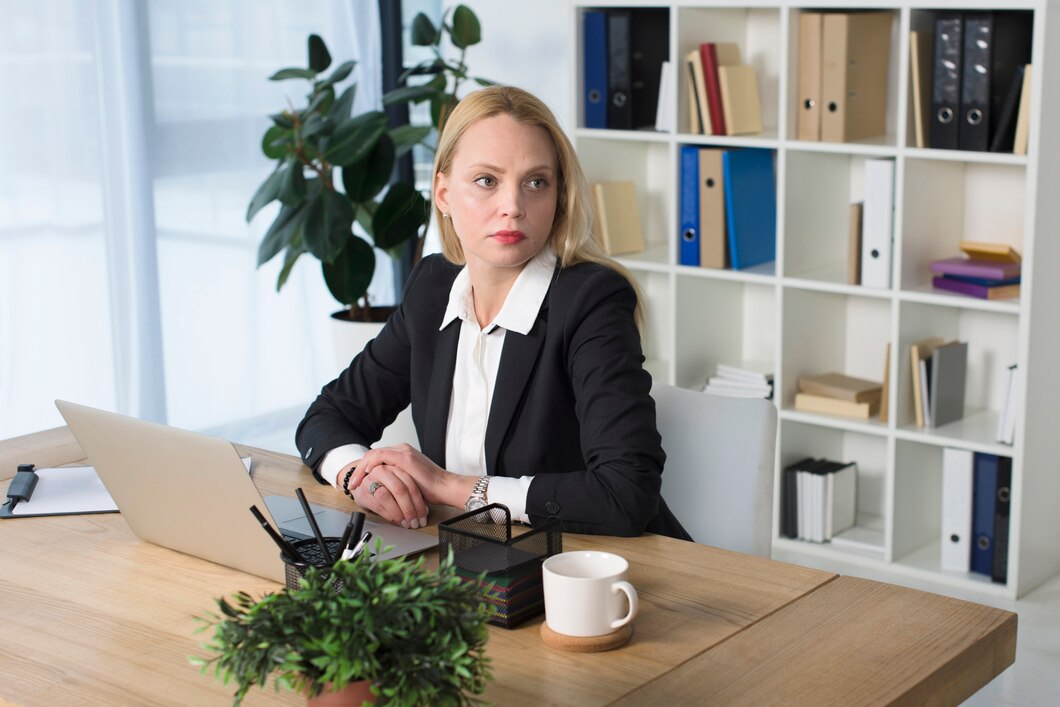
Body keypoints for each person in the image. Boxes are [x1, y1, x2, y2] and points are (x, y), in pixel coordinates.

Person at [295, 85, 689, 540]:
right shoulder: (432, 287)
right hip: (474, 558)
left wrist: (448, 486)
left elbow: (625, 493)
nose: (513, 207)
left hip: (591, 572)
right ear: (443, 192)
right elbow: (326, 416)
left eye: (536, 182)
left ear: (559, 196)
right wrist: (359, 477)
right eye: (487, 180)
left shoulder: (591, 301)